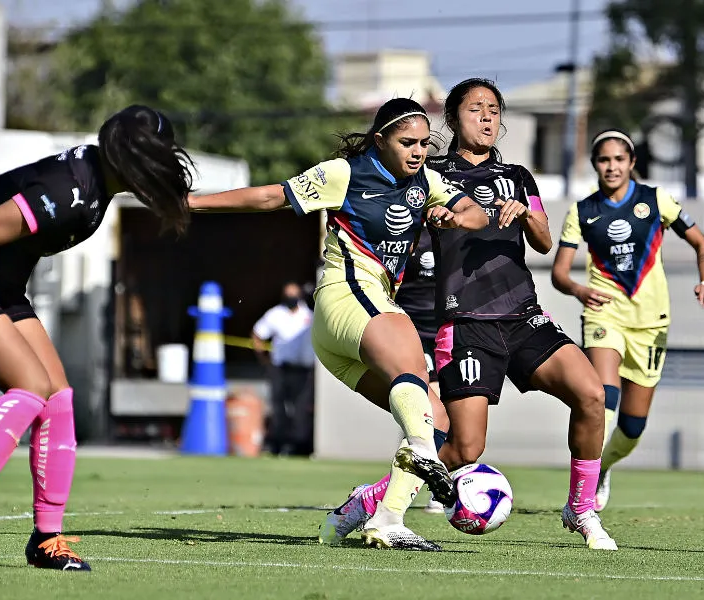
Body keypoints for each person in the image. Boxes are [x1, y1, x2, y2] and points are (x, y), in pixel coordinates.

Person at [320, 78, 619, 551]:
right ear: (454, 117)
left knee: (590, 394)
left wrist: (524, 214)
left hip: (524, 317)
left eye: (495, 109)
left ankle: (581, 509)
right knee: (463, 450)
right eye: (476, 108)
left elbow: (543, 240)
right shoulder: (427, 172)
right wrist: (432, 221)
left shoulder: (518, 176)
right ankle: (367, 501)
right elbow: (393, 217)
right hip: (464, 326)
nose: (487, 116)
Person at [0, 105, 193, 570]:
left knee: (58, 396)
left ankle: (46, 540)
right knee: (30, 386)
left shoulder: (101, 186)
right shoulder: (69, 191)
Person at [189, 98, 489, 550]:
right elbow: (271, 195)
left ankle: (370, 510)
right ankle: (402, 492)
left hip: (353, 328)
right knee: (411, 360)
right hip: (345, 299)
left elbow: (477, 213)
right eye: (408, 142)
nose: (418, 152)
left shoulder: (426, 181)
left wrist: (454, 215)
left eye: (425, 144)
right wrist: (189, 204)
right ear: (380, 139)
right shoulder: (344, 173)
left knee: (436, 421)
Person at [552, 129, 704, 511]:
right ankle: (581, 493)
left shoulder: (656, 200)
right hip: (604, 311)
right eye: (604, 160)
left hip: (651, 320)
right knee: (602, 398)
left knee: (632, 429)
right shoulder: (582, 211)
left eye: (618, 159)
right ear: (595, 165)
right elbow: (560, 273)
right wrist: (578, 290)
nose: (611, 167)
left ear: (631, 163)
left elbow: (702, 245)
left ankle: (604, 465)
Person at [393, 222, 445, 514]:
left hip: (446, 331)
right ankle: (425, 487)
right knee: (428, 409)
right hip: (411, 331)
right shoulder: (404, 231)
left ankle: (426, 480)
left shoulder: (452, 229)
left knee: (450, 411)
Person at [252, 281, 316, 456]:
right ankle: (277, 445)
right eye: (288, 295)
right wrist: (264, 359)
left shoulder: (310, 314)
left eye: (294, 295)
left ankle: (299, 446)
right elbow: (258, 334)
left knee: (301, 409)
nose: (291, 299)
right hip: (280, 368)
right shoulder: (275, 315)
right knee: (279, 408)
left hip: (303, 370)